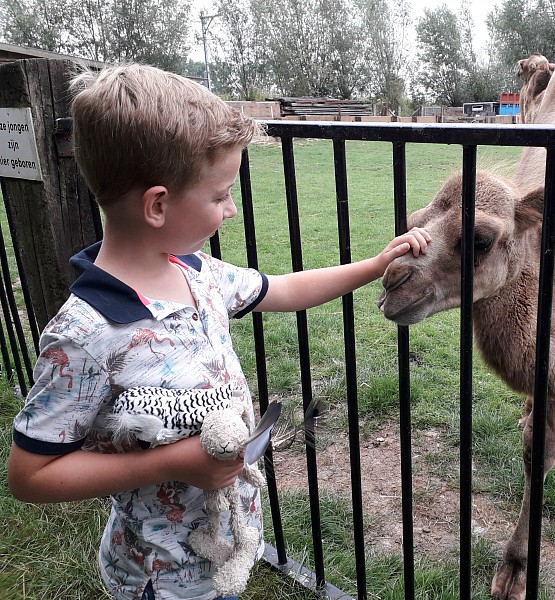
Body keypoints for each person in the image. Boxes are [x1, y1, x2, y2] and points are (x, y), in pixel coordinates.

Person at [6, 64, 430, 600]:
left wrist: (372, 266)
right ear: (156, 204)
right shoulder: (86, 333)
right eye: (221, 195)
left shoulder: (197, 273)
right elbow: (30, 476)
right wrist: (174, 463)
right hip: (158, 580)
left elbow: (283, 289)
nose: (231, 209)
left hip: (223, 547)